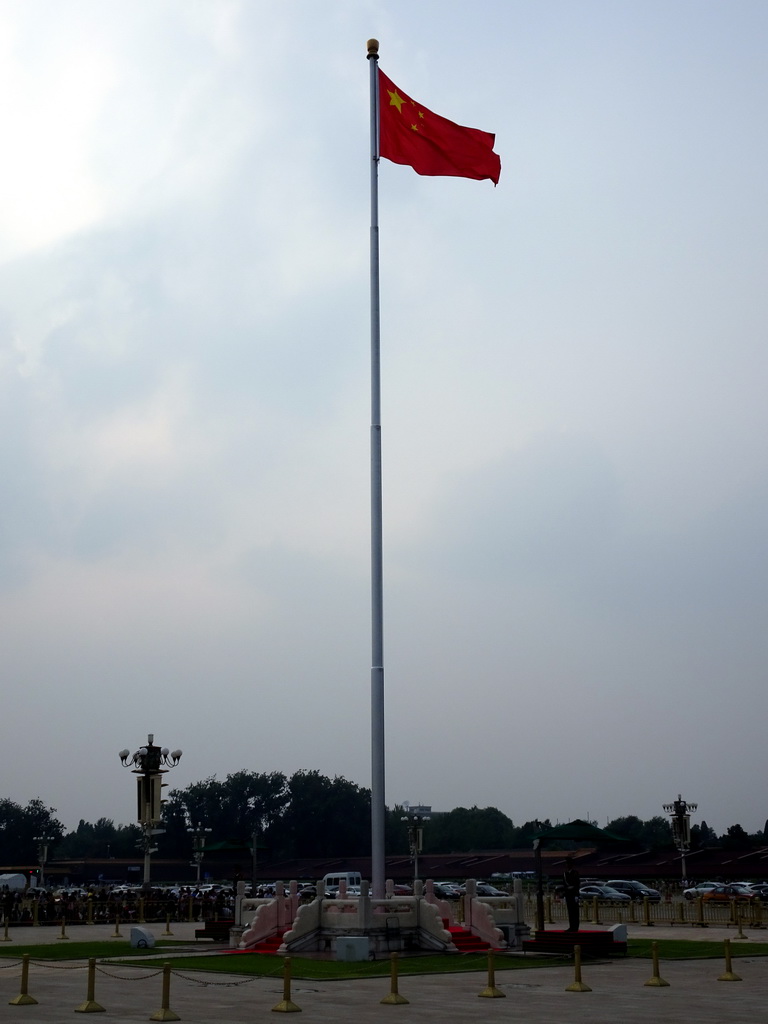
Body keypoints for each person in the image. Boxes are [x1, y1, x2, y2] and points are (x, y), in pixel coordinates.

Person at [563, 856, 580, 932]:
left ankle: (575, 927)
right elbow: (564, 885)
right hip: (568, 895)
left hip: (574, 894)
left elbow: (577, 884)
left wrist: (576, 895)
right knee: (570, 912)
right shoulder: (565, 874)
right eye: (566, 863)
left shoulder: (575, 873)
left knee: (575, 912)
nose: (567, 865)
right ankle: (571, 926)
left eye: (568, 863)